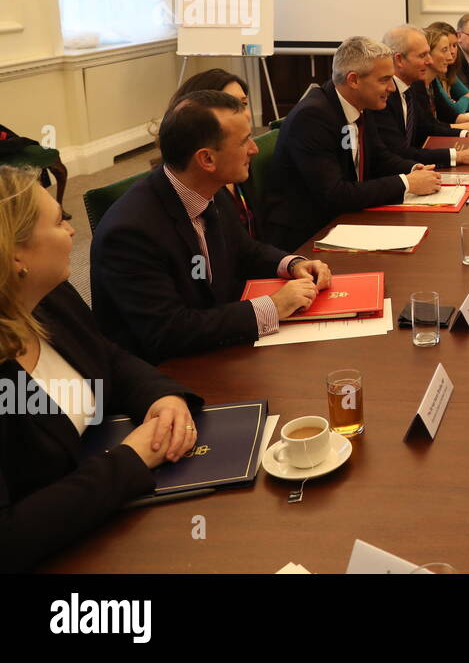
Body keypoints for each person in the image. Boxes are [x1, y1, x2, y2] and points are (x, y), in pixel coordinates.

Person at [0, 166, 202, 571]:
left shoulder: (50, 296)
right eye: (59, 222)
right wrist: (131, 459)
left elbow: (106, 356)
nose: (72, 232)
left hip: (109, 520)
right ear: (16, 254)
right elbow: (9, 537)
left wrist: (162, 395)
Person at [92, 90, 333, 363]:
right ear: (206, 159)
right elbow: (168, 331)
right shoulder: (129, 233)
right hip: (169, 375)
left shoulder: (209, 189)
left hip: (217, 344)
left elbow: (244, 250)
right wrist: (273, 307)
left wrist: (291, 264)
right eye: (244, 141)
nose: (254, 148)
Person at [263, 37, 442, 250]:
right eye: (384, 80)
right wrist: (407, 183)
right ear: (354, 80)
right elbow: (335, 194)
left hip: (344, 220)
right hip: (307, 236)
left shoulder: (360, 105)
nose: (392, 88)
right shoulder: (312, 117)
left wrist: (415, 170)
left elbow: (379, 157)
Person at [376, 27, 469, 167]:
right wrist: (459, 156)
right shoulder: (383, 96)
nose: (429, 61)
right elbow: (400, 153)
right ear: (399, 60)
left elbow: (428, 127)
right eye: (422, 56)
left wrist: (468, 136)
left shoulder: (411, 87)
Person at [166, 69, 260, 236]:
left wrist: (291, 262)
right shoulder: (200, 184)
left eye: (243, 104)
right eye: (229, 104)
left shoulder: (236, 162)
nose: (244, 114)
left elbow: (246, 245)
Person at [424, 22, 469, 126]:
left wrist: (461, 105)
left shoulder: (450, 71)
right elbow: (453, 111)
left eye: (454, 46)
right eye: (445, 49)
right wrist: (466, 99)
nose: (451, 53)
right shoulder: (430, 80)